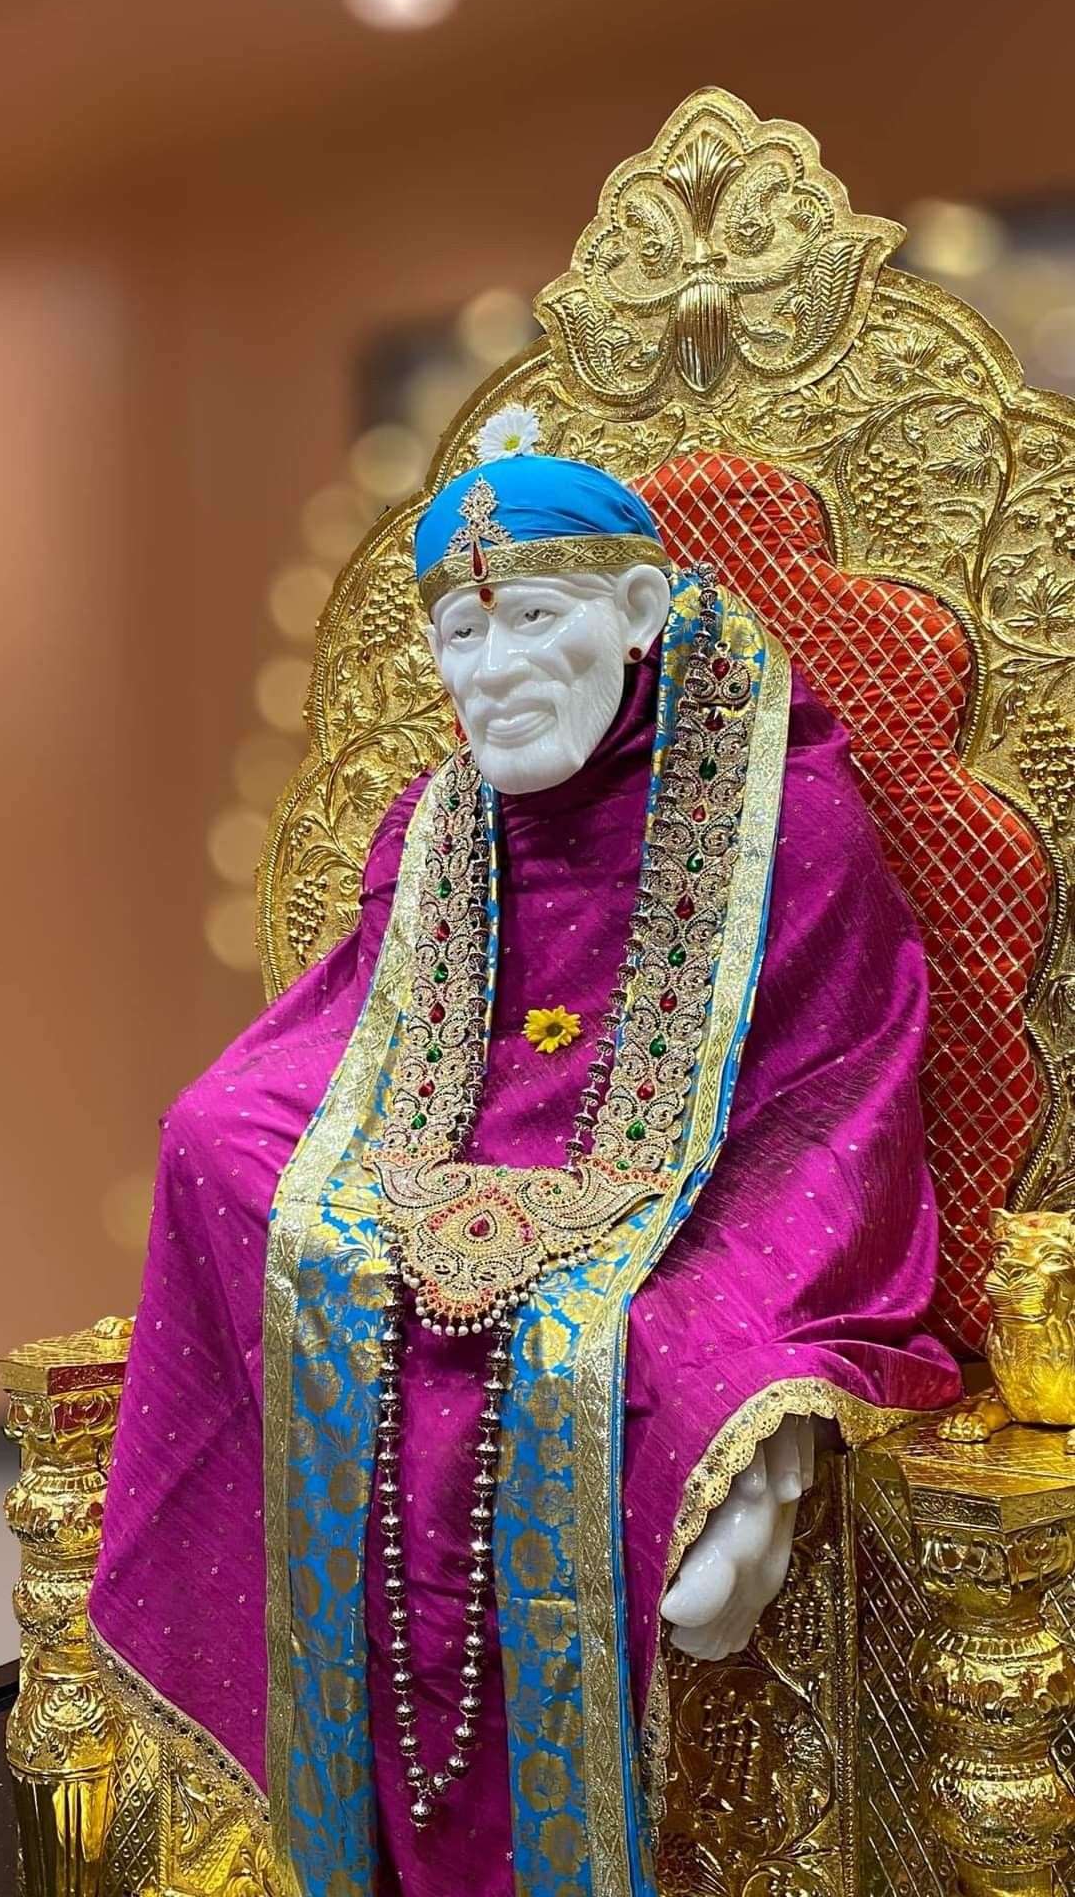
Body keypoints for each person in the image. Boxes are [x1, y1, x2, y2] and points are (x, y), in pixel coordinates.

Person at [90, 413, 960, 1897]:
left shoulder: (784, 818)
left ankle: (756, 1483)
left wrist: (627, 1248)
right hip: (437, 1166)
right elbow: (342, 1038)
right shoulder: (435, 825)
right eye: (461, 640)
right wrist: (385, 1201)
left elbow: (836, 1095)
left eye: (534, 620)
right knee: (212, 1140)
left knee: (647, 1343)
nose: (492, 677)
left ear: (638, 614)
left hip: (706, 1200)